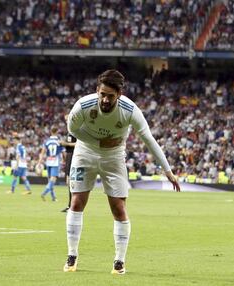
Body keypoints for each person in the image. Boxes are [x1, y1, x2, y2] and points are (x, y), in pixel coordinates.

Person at [64, 69, 180, 274]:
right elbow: (72, 130)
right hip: (85, 153)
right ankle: (72, 255)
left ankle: (119, 261)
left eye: (110, 96)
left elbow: (149, 139)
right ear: (97, 91)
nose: (105, 100)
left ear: (119, 95)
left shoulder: (130, 110)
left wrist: (167, 170)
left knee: (118, 208)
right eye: (102, 94)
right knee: (76, 202)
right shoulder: (83, 105)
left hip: (114, 157)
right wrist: (99, 141)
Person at [37, 126, 65, 202]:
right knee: (53, 179)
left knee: (50, 181)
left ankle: (53, 197)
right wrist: (64, 160)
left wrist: (39, 163)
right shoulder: (59, 142)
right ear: (57, 132)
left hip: (48, 162)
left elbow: (42, 153)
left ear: (51, 132)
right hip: (55, 162)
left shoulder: (47, 141)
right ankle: (44, 193)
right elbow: (63, 153)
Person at [60, 114, 77, 212]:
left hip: (74, 156)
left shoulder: (75, 131)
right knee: (68, 182)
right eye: (65, 120)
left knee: (71, 182)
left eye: (67, 120)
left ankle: (72, 205)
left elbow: (79, 143)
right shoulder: (69, 131)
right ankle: (70, 205)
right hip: (69, 157)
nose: (66, 122)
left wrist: (66, 144)